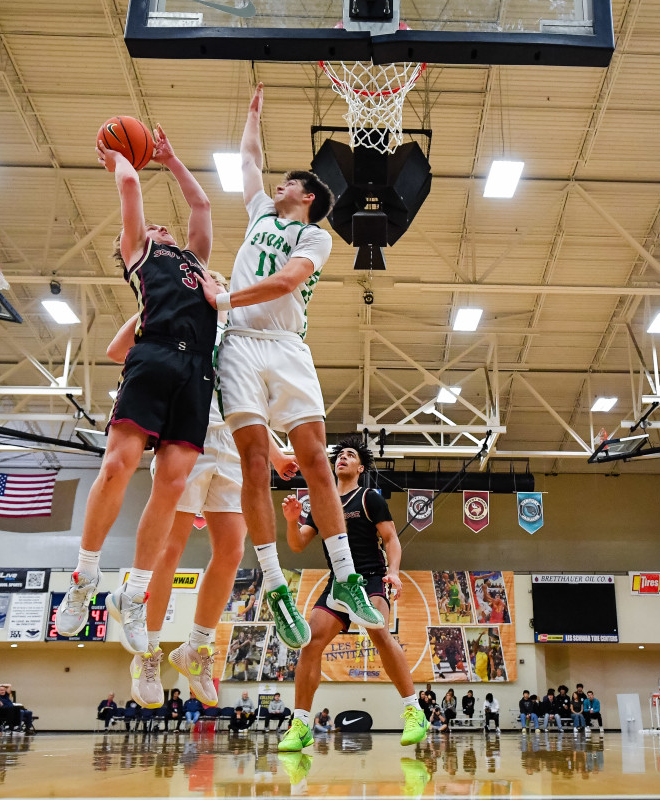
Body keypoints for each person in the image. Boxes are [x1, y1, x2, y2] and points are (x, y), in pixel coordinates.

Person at [199, 83, 382, 650]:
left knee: (314, 462)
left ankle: (346, 577)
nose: (276, 184)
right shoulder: (258, 210)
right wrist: (252, 116)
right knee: (254, 462)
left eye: (289, 182)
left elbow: (283, 283)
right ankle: (275, 585)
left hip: (285, 344)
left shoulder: (314, 237)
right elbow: (249, 161)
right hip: (239, 344)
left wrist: (224, 298)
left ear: (305, 196)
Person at [54, 126, 219, 654]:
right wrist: (120, 156)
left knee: (171, 486)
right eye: (153, 226)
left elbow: (203, 204)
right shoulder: (141, 255)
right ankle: (84, 576)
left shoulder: (196, 261)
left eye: (162, 226)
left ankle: (136, 592)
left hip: (198, 369)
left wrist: (170, 158)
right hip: (153, 355)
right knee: (117, 466)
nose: (161, 225)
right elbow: (129, 190)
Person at [108, 269, 298, 709]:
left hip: (234, 443)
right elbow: (119, 350)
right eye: (200, 277)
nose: (210, 281)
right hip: (186, 435)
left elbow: (243, 402)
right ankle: (148, 652)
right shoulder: (176, 320)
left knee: (232, 551)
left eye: (217, 278)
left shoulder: (238, 335)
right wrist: (154, 306)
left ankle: (196, 647)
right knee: (169, 550)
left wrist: (274, 453)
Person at [276, 435, 428, 753]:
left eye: (350, 455)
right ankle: (301, 723)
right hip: (337, 584)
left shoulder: (369, 498)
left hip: (369, 579)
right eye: (340, 454)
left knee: (379, 633)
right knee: (309, 644)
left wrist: (394, 572)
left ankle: (414, 711)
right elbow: (297, 544)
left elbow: (391, 539)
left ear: (360, 467)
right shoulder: (321, 503)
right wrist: (292, 522)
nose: (343, 457)